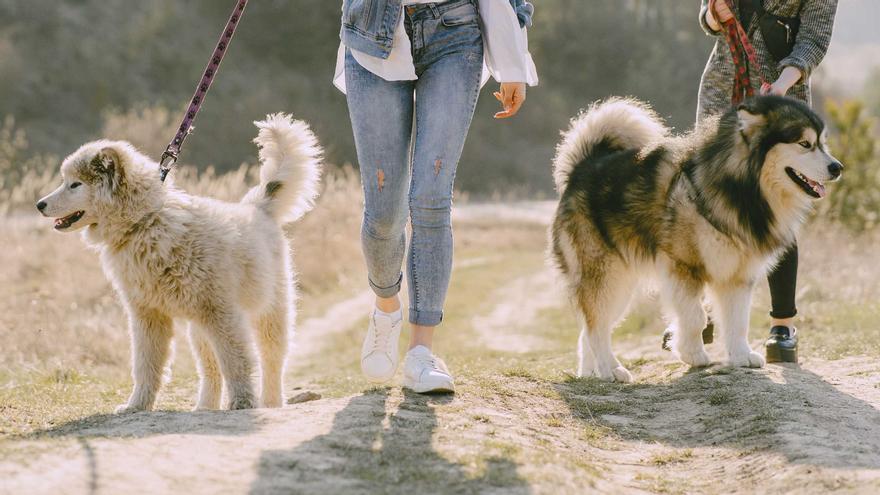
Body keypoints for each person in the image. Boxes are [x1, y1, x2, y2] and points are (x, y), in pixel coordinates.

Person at [334, 0, 537, 392]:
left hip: (455, 34)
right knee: (384, 212)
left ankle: (421, 353)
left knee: (430, 199)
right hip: (373, 38)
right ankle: (386, 307)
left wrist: (513, 63)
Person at [696, 0, 838, 362]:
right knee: (704, 202)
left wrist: (781, 84)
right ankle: (702, 315)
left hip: (781, 93)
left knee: (782, 204)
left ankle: (782, 325)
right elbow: (707, 20)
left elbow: (814, 40)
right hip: (723, 86)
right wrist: (716, 15)